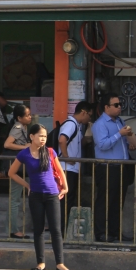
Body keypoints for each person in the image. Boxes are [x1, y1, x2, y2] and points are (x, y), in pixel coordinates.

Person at [8, 124, 74, 270]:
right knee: (38, 230)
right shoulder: (24, 154)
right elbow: (12, 173)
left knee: (56, 230)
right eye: (40, 136)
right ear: (32, 136)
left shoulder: (50, 152)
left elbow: (60, 170)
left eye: (45, 136)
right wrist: (27, 185)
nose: (43, 139)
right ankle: (41, 263)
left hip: (52, 194)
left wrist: (65, 187)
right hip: (36, 195)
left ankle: (60, 264)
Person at [92, 92, 136, 243]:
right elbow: (103, 144)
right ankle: (100, 233)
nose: (119, 108)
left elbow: (123, 142)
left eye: (120, 105)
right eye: (116, 105)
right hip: (107, 167)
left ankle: (115, 231)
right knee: (105, 201)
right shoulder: (100, 124)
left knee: (118, 201)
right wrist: (120, 134)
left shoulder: (119, 121)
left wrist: (128, 142)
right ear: (106, 107)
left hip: (121, 166)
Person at [58, 101, 93, 235]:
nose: (89, 118)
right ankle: (60, 231)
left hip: (71, 168)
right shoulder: (70, 124)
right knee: (65, 201)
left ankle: (63, 230)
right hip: (66, 168)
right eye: (89, 115)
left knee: (68, 200)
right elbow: (62, 140)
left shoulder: (76, 126)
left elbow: (79, 143)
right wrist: (67, 157)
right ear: (83, 112)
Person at [3, 104, 32, 239]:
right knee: (14, 199)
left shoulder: (23, 127)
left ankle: (13, 229)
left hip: (20, 166)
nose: (30, 117)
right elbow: (7, 144)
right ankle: (13, 230)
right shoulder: (18, 127)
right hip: (17, 167)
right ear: (19, 117)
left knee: (15, 199)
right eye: (27, 115)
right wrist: (24, 147)